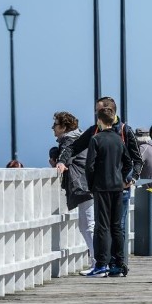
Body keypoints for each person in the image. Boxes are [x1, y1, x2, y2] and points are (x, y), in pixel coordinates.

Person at [56, 96, 143, 265]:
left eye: (97, 110)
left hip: (120, 186)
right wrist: (61, 161)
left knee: (117, 226)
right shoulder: (94, 131)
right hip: (102, 186)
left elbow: (136, 159)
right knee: (103, 226)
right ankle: (107, 262)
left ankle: (117, 263)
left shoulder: (125, 130)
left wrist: (131, 178)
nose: (95, 114)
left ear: (107, 110)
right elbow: (74, 147)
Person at [85, 106, 135, 277]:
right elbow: (128, 162)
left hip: (101, 187)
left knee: (102, 227)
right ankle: (119, 263)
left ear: (99, 120)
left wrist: (91, 185)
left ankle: (101, 264)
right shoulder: (118, 139)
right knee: (116, 227)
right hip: (117, 187)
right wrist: (122, 178)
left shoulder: (96, 139)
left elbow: (90, 166)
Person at [52, 111, 95, 265]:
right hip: (89, 184)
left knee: (88, 226)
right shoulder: (79, 136)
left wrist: (56, 157)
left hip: (84, 185)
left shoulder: (69, 140)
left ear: (64, 127)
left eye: (55, 125)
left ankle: (99, 263)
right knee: (86, 225)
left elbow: (66, 159)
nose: (53, 128)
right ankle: (97, 261)